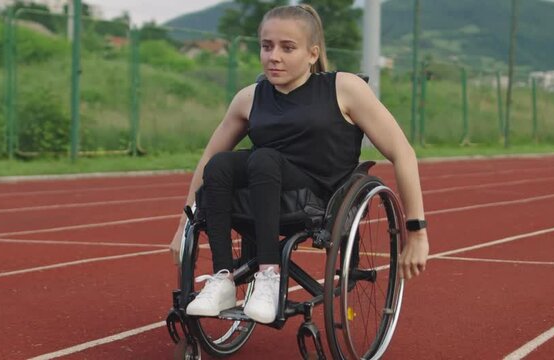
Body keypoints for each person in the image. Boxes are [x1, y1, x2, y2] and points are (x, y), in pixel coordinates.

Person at [169, 4, 429, 324]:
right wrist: (184, 226)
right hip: (264, 194)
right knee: (220, 165)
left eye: (287, 47)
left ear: (311, 53)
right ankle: (223, 278)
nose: (273, 56)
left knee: (263, 158)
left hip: (316, 200)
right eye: (267, 46)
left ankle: (269, 276)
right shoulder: (249, 97)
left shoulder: (344, 88)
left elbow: (403, 152)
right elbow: (208, 158)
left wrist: (416, 233)